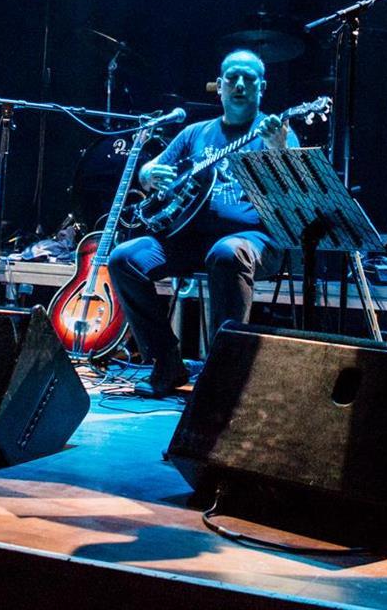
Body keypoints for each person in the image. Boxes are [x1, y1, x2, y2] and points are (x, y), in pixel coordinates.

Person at [105, 49, 297, 397]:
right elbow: (150, 173)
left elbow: (291, 197)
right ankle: (166, 362)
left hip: (253, 241)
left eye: (249, 79)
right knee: (123, 258)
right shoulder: (195, 133)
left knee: (225, 253)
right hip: (188, 239)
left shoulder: (276, 132)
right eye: (232, 78)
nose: (240, 84)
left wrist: (277, 151)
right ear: (219, 87)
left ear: (262, 87)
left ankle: (221, 373)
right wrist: (149, 174)